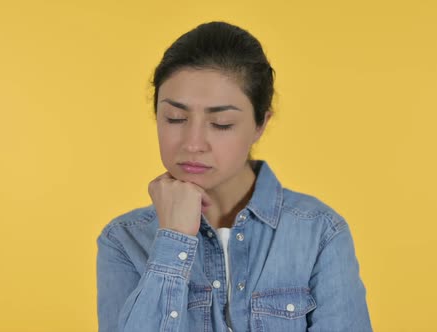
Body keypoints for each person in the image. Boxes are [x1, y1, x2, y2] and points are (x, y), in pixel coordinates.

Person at [96, 21, 372, 332]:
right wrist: (173, 241)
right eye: (175, 118)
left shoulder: (319, 232)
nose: (193, 143)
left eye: (222, 123)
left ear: (260, 125)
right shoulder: (123, 240)